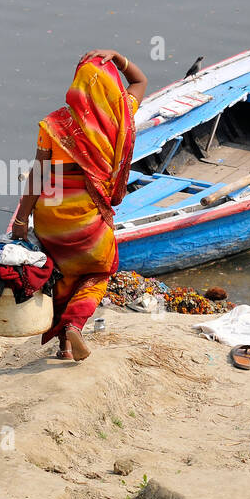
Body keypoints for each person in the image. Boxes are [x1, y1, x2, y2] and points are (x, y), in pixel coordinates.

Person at [11, 50, 147, 360]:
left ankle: (64, 347)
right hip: (88, 213)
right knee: (100, 270)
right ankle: (74, 326)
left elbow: (38, 174)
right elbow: (140, 80)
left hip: (51, 213)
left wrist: (21, 220)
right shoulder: (120, 114)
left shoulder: (55, 124)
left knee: (62, 272)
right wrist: (118, 58)